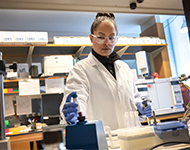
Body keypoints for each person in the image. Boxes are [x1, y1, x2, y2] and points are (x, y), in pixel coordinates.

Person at [59, 12, 152, 130]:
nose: (107, 43)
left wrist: (140, 107)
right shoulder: (80, 70)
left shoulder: (124, 68)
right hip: (105, 140)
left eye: (111, 38)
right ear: (91, 38)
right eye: (101, 37)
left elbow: (133, 97)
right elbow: (77, 100)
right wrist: (73, 114)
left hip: (132, 135)